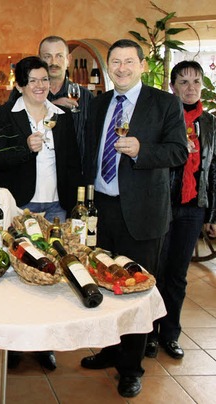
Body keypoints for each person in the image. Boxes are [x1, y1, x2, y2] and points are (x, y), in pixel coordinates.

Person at [80, 39, 187, 398]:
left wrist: (143, 150)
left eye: (129, 62)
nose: (121, 68)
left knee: (136, 291)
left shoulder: (165, 103)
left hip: (142, 214)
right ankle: (110, 351)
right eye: (115, 62)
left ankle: (131, 367)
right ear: (107, 66)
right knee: (105, 284)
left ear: (142, 65)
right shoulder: (98, 104)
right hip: (102, 212)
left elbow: (178, 151)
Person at [0, 56, 82, 370]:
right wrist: (24, 149)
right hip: (22, 206)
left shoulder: (62, 116)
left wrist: (75, 205)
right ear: (20, 85)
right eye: (34, 81)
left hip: (57, 207)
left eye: (45, 79)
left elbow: (73, 164)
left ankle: (45, 344)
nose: (41, 85)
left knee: (51, 277)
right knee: (20, 276)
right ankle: (14, 344)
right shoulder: (6, 115)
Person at [148, 60, 216, 360]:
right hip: (161, 205)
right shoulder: (162, 116)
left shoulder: (211, 123)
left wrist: (213, 215)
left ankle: (170, 334)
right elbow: (151, 160)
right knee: (155, 273)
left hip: (193, 208)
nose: (190, 88)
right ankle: (148, 334)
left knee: (177, 275)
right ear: (173, 85)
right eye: (184, 82)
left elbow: (213, 170)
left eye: (196, 82)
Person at [7, 36, 93, 159]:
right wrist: (52, 105)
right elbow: (10, 137)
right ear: (40, 60)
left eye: (59, 56)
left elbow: (92, 141)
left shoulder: (85, 96)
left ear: (68, 60)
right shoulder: (20, 93)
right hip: (31, 172)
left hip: (72, 173)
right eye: (47, 56)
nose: (53, 62)